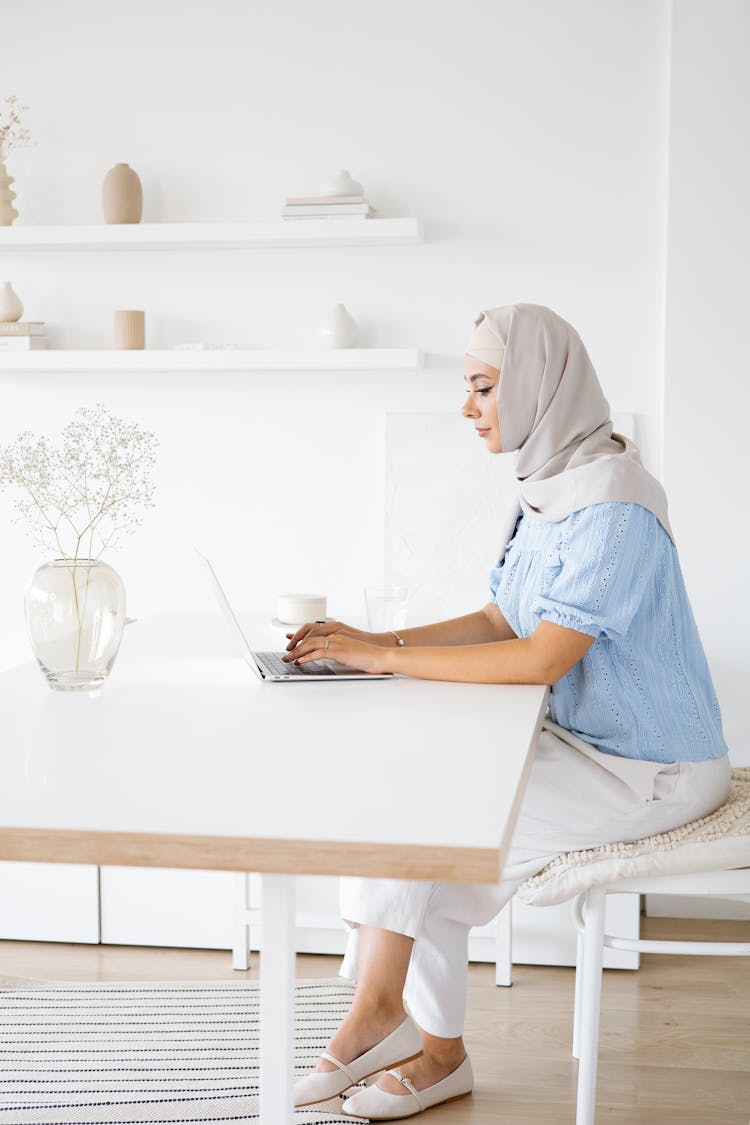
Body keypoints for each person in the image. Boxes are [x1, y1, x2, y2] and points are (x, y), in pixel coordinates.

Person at [285, 303, 730, 1120]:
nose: (468, 408)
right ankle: (423, 1044)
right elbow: (500, 619)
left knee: (437, 830)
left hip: (654, 769)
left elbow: (542, 656)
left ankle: (394, 1027)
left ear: (536, 385)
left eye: (483, 387)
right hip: (579, 742)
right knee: (409, 800)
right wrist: (371, 635)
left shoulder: (615, 503)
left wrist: (384, 658)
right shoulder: (546, 485)